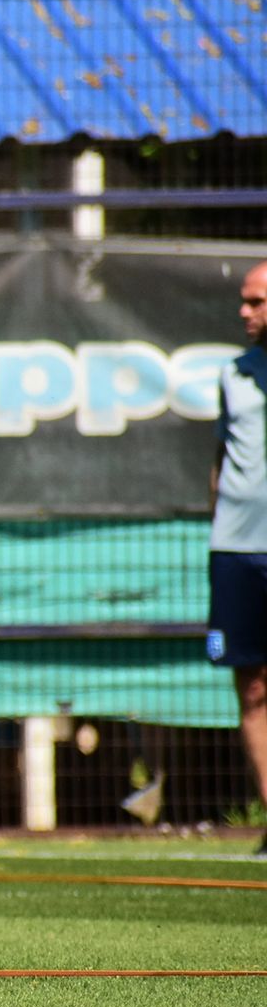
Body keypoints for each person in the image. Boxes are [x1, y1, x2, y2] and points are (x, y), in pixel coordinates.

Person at [210, 260, 267, 857]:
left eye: (256, 302)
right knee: (250, 688)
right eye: (243, 301)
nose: (245, 313)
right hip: (239, 548)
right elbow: (220, 458)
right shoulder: (233, 374)